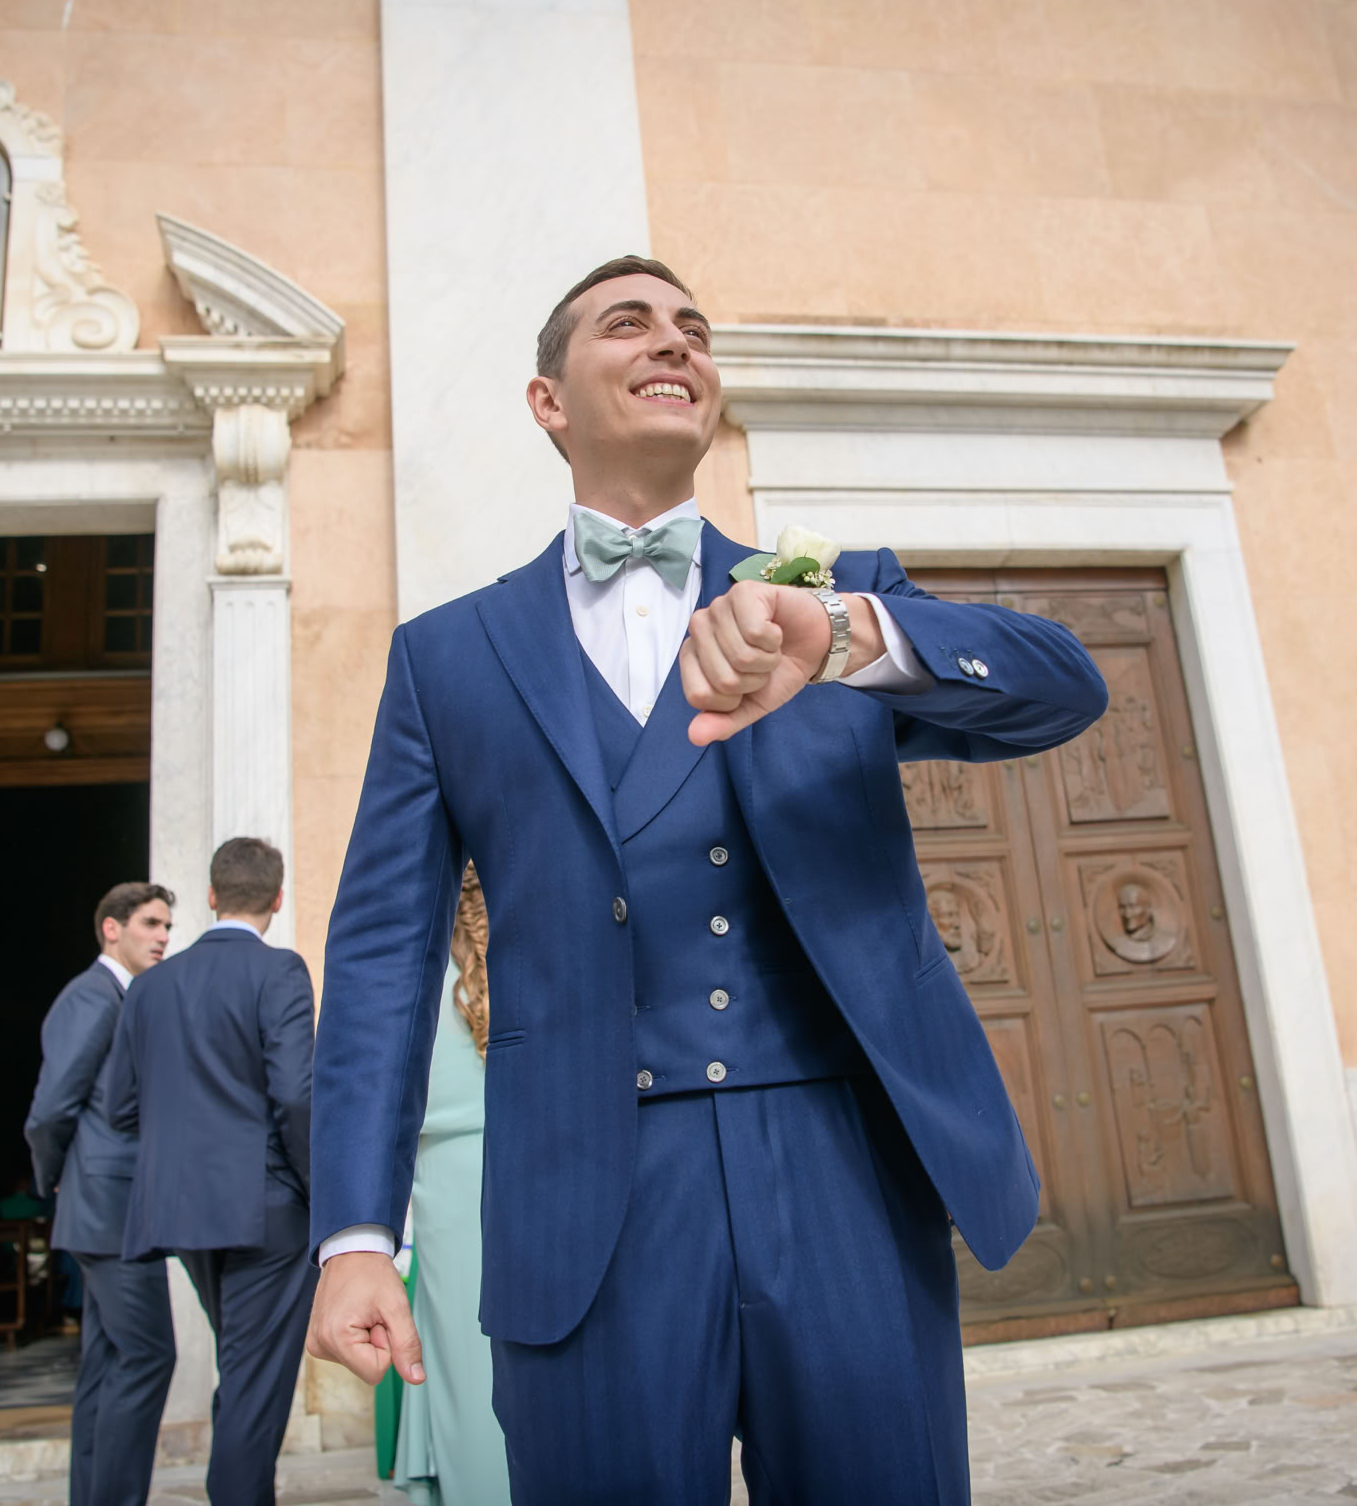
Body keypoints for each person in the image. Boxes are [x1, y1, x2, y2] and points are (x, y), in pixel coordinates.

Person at [307, 256, 1110, 1502]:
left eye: (693, 328)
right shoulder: (446, 658)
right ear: (547, 400)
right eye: (629, 325)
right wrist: (357, 1232)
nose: (672, 342)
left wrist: (845, 637)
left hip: (841, 1167)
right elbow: (378, 957)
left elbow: (1064, 684)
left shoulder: (826, 597)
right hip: (582, 1198)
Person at [107, 839, 316, 1506]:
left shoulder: (150, 984)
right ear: (278, 900)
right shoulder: (279, 970)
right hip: (267, 1207)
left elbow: (121, 1106)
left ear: (211, 895)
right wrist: (323, 1192)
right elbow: (296, 1096)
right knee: (255, 1387)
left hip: (182, 1210)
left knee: (243, 1369)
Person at [25, 881, 178, 1506]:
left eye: (167, 925)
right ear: (111, 929)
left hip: (107, 1206)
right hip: (107, 1207)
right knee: (149, 1357)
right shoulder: (93, 996)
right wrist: (54, 1180)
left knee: (109, 1362)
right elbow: (50, 1110)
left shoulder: (124, 996)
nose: (163, 936)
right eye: (150, 923)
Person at [389, 863, 511, 1505]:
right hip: (516, 1167)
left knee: (459, 1354)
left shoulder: (421, 975)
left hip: (445, 1179)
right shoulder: (515, 970)